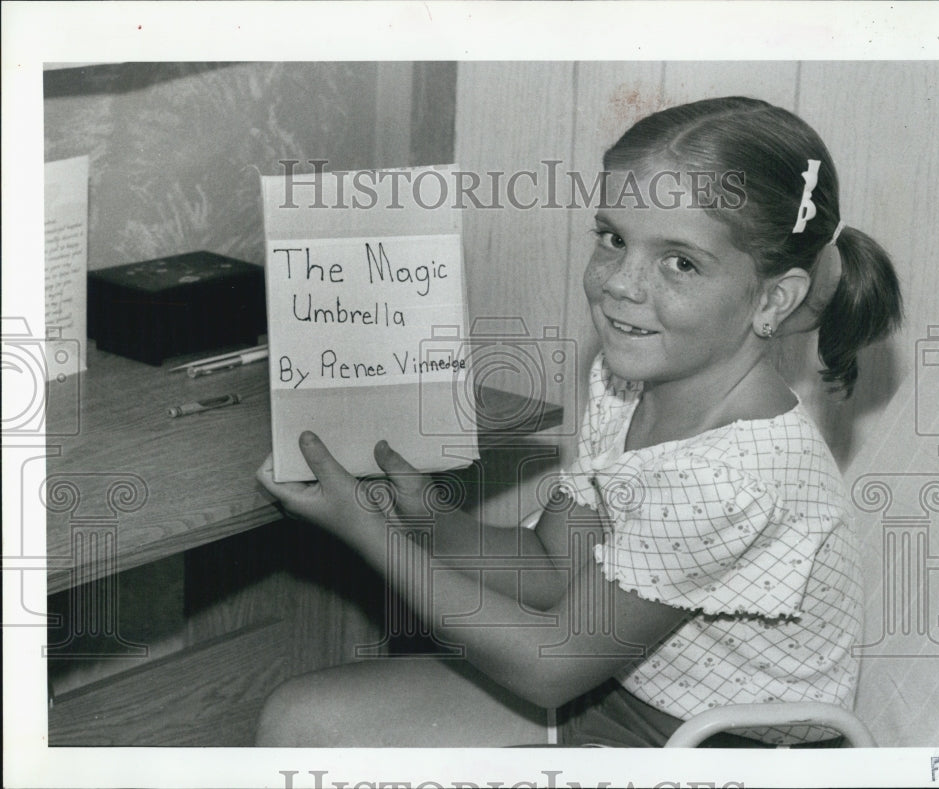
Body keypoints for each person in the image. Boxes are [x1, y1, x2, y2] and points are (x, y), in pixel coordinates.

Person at [254, 96, 902, 747]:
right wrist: (422, 519)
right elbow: (552, 564)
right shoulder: (627, 381)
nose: (620, 282)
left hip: (719, 747)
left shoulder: (731, 477)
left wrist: (367, 534)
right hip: (617, 690)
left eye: (680, 261)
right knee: (300, 720)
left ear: (773, 298)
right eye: (614, 238)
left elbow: (549, 665)